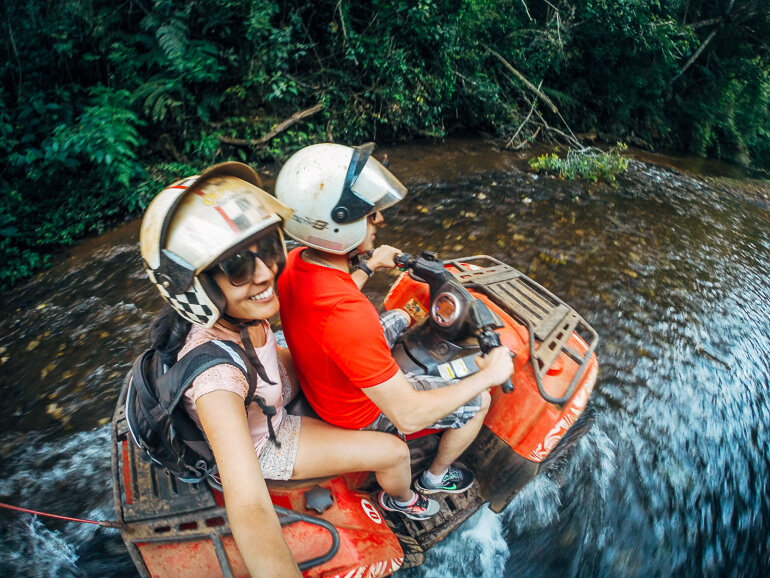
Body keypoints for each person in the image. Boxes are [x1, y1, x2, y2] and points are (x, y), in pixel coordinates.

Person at [139, 162, 428, 577]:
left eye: (271, 250)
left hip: (272, 390)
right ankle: (402, 503)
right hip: (268, 441)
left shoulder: (238, 312)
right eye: (238, 267)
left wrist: (363, 270)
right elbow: (250, 505)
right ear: (196, 287)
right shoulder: (216, 380)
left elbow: (314, 308)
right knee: (395, 451)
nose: (266, 273)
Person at [275, 143, 514, 517]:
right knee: (478, 401)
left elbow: (329, 304)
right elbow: (409, 416)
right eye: (370, 216)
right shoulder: (348, 315)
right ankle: (434, 478)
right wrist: (488, 376)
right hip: (355, 412)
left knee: (403, 315)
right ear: (340, 223)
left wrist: (369, 265)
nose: (379, 222)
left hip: (323, 372)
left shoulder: (295, 261)